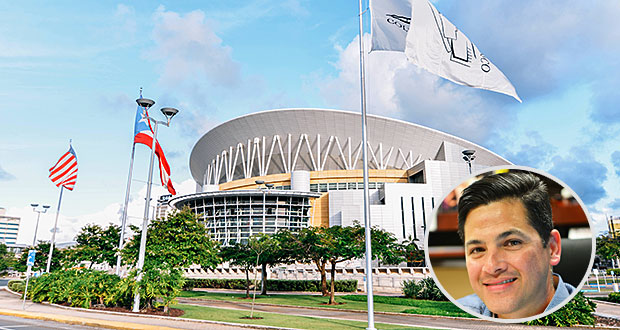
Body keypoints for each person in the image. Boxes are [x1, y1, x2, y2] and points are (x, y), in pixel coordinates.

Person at [455, 171, 574, 319]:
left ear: (552, 248)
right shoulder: (460, 314)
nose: (492, 267)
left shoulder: (590, 314)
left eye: (512, 243)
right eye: (478, 249)